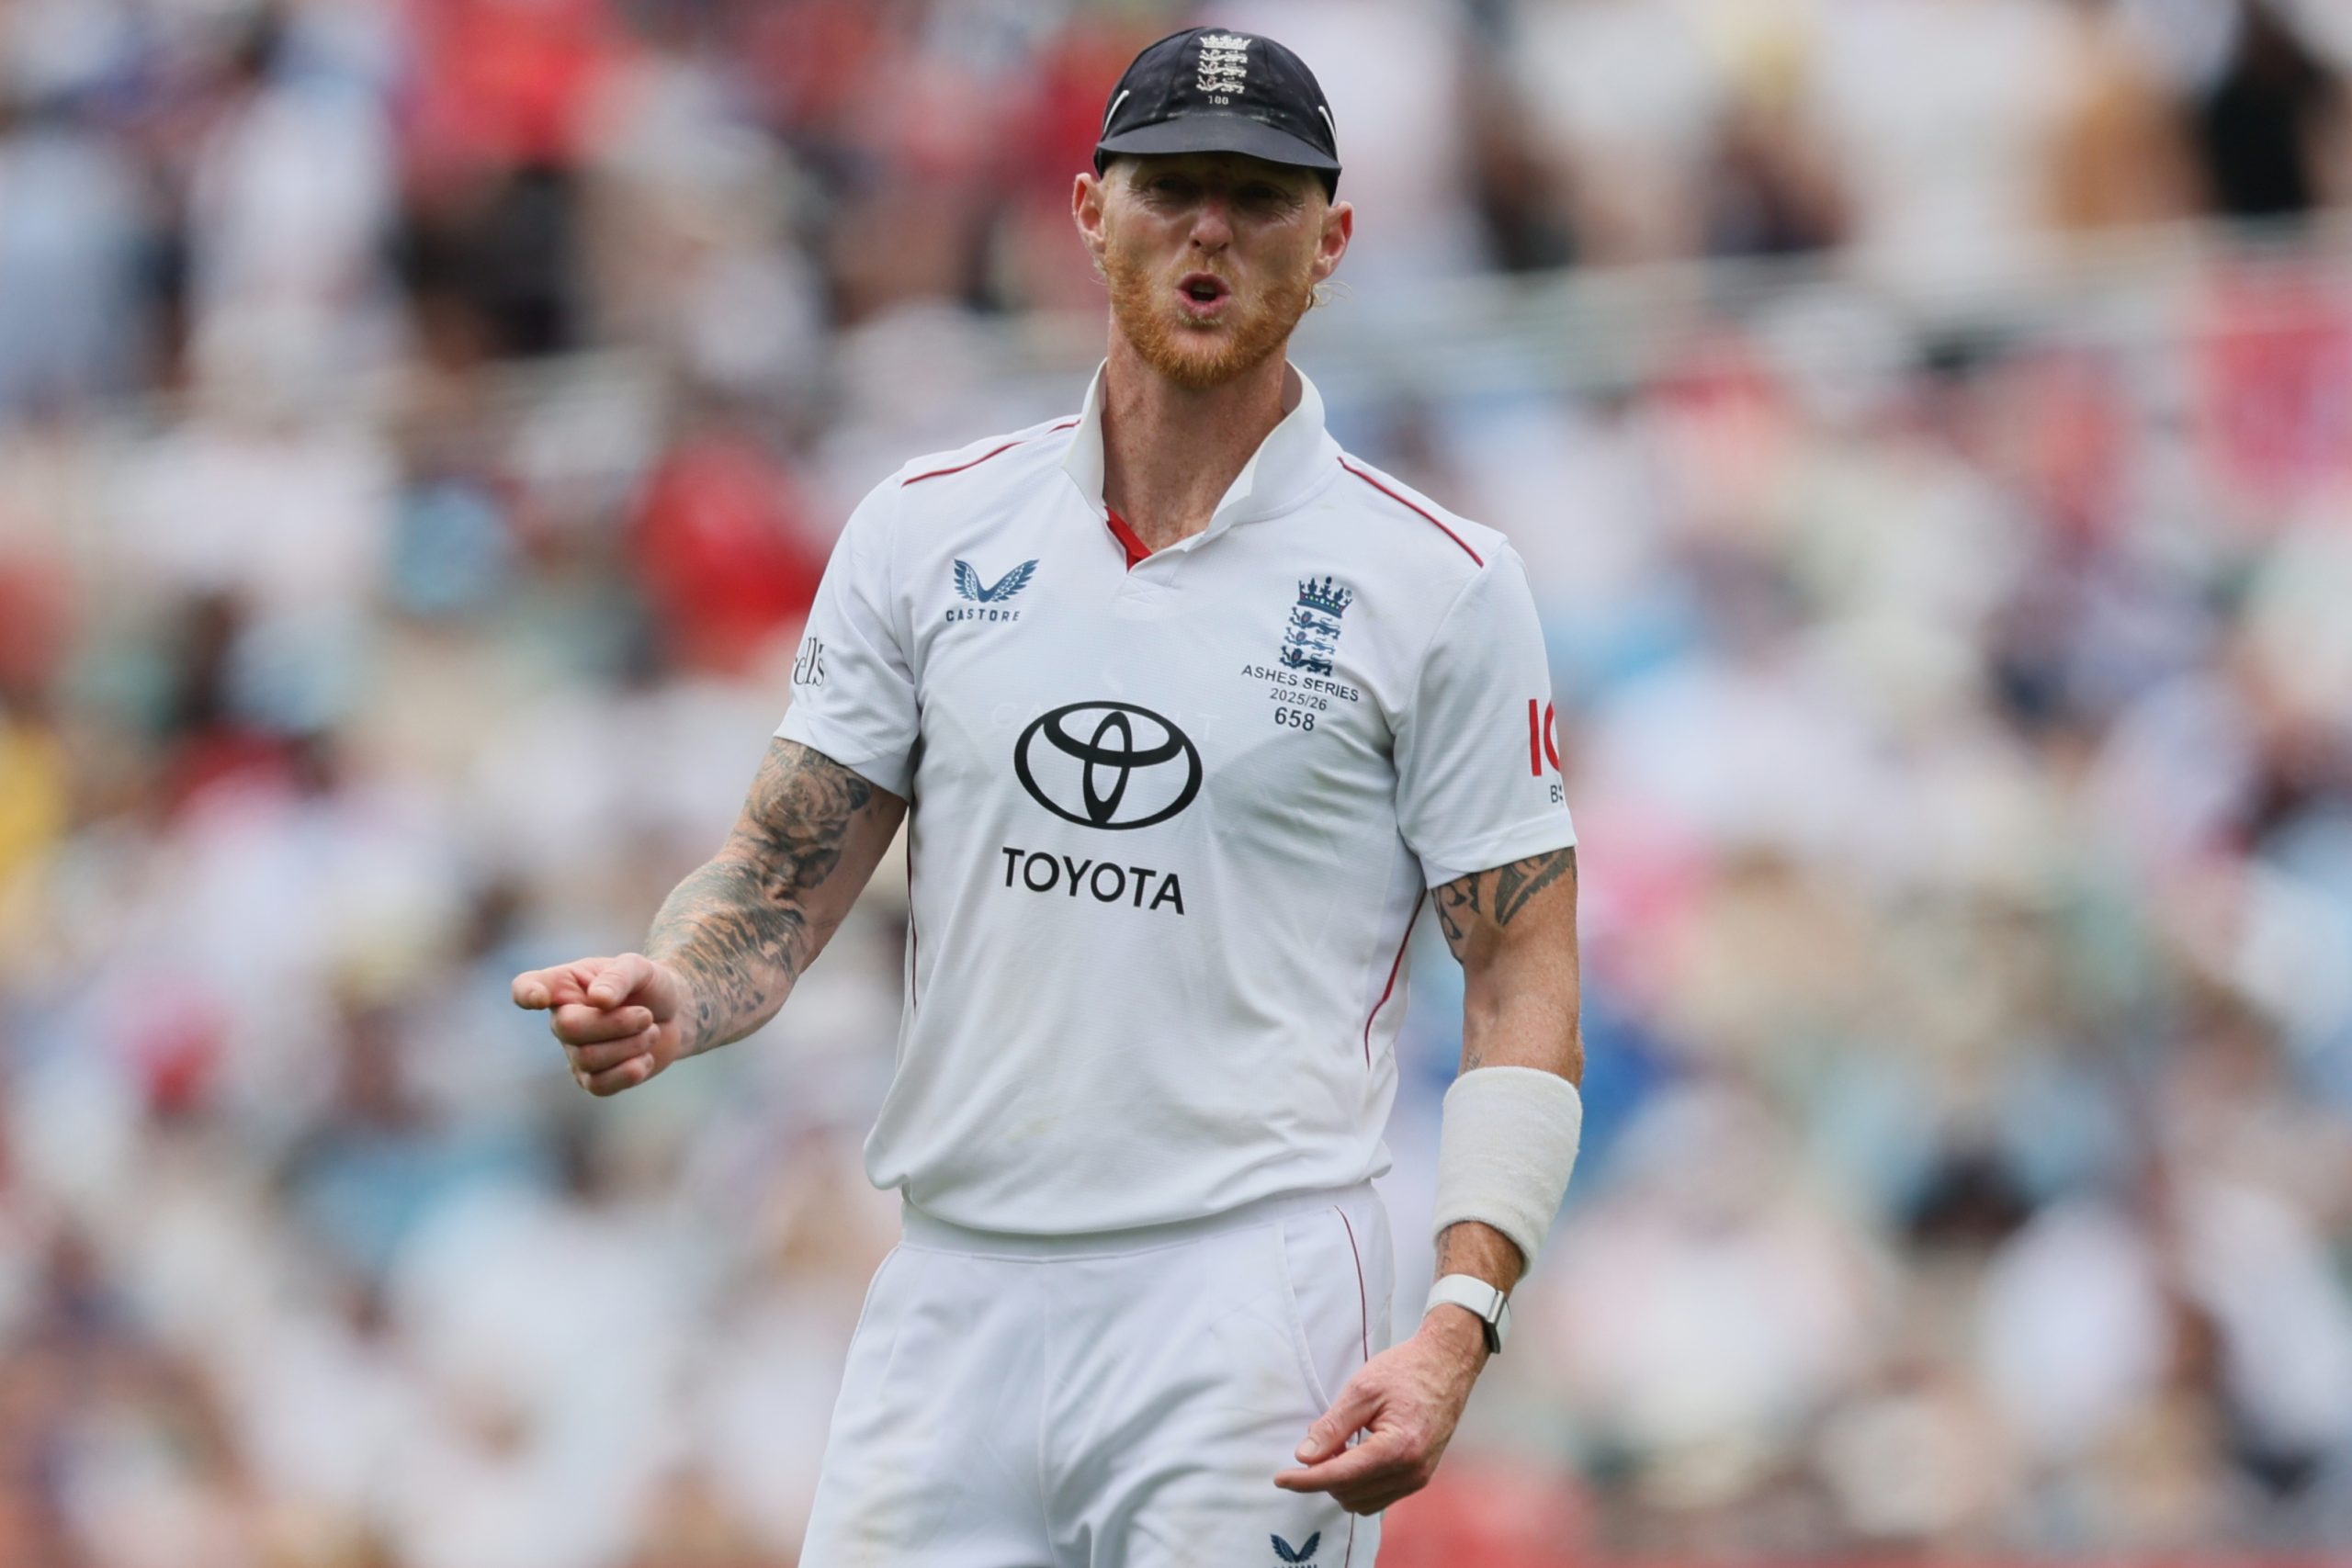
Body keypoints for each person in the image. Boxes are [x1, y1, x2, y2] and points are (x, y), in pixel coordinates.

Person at [513, 27, 1585, 1566]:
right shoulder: (925, 530)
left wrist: (1462, 1316)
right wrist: (677, 985)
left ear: (1333, 240)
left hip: (1251, 1296)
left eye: (1259, 198)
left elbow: (1524, 970)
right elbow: (779, 870)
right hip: (953, 1289)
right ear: (1090, 211)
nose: (1209, 232)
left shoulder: (1442, 584)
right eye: (1170, 189)